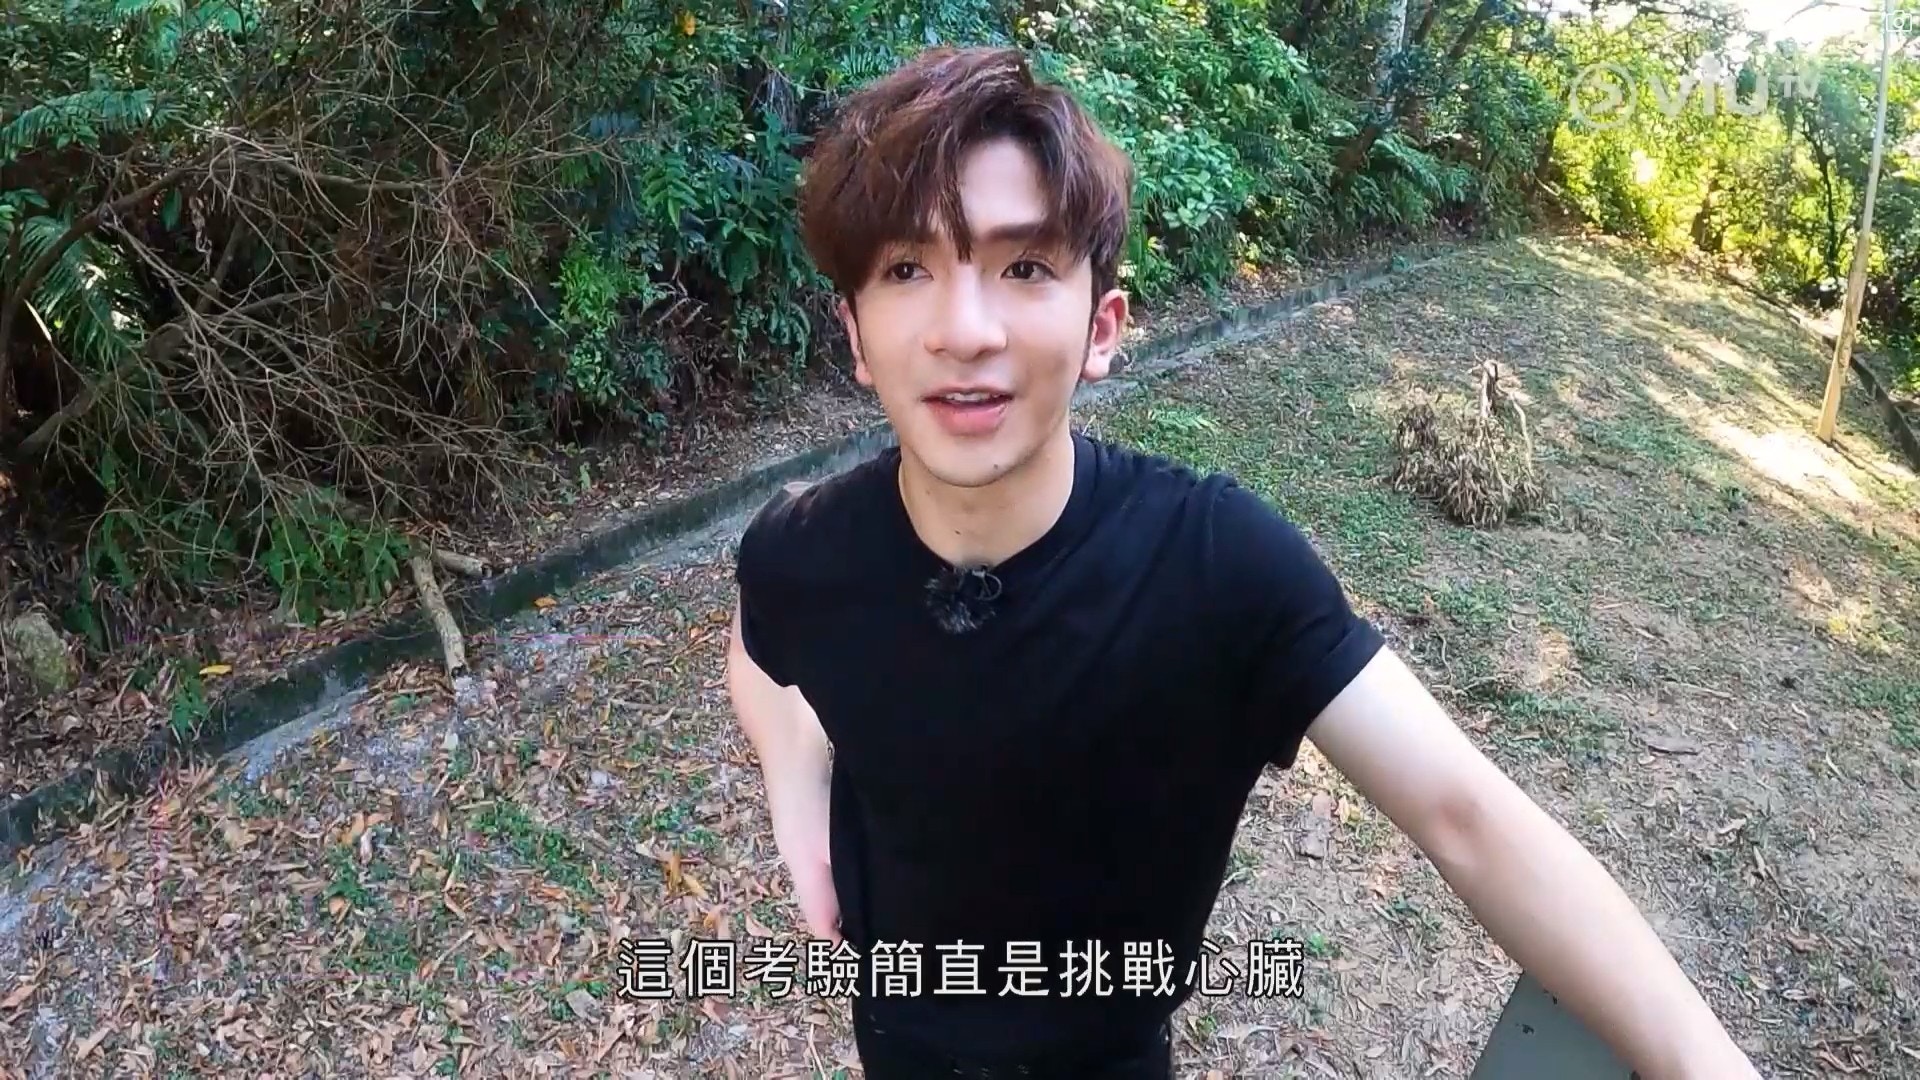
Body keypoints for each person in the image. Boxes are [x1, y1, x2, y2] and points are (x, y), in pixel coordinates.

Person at [725, 45, 1761, 1080]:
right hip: (899, 1031)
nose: (965, 330)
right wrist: (795, 794)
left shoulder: (1216, 568)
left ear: (1101, 327)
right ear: (855, 333)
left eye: (1025, 267)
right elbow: (763, 641)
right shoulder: (803, 549)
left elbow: (1467, 817)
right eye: (907, 270)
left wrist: (1704, 1065)